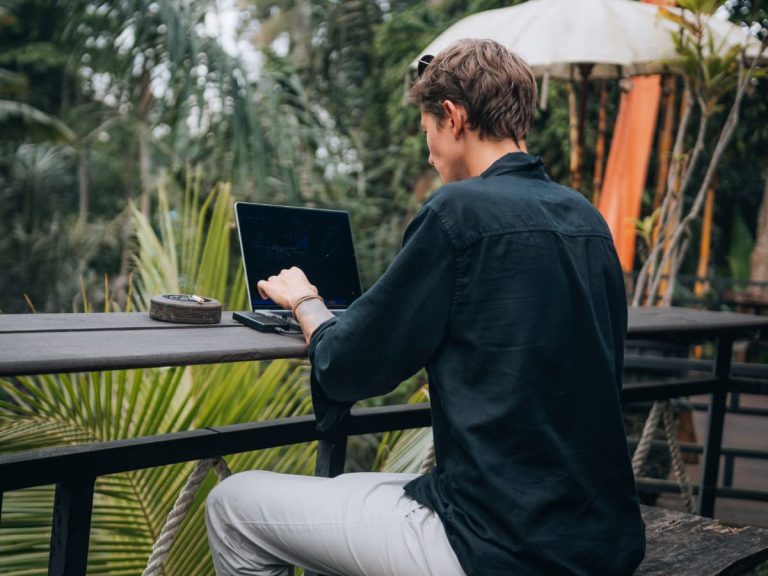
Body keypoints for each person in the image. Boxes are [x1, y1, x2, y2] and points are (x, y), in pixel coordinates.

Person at [206, 39, 645, 576]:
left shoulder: (457, 211)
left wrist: (305, 301)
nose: (429, 153)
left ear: (454, 118)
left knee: (233, 507)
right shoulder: (587, 219)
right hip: (599, 538)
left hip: (500, 547)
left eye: (428, 131)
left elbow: (349, 366)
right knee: (343, 492)